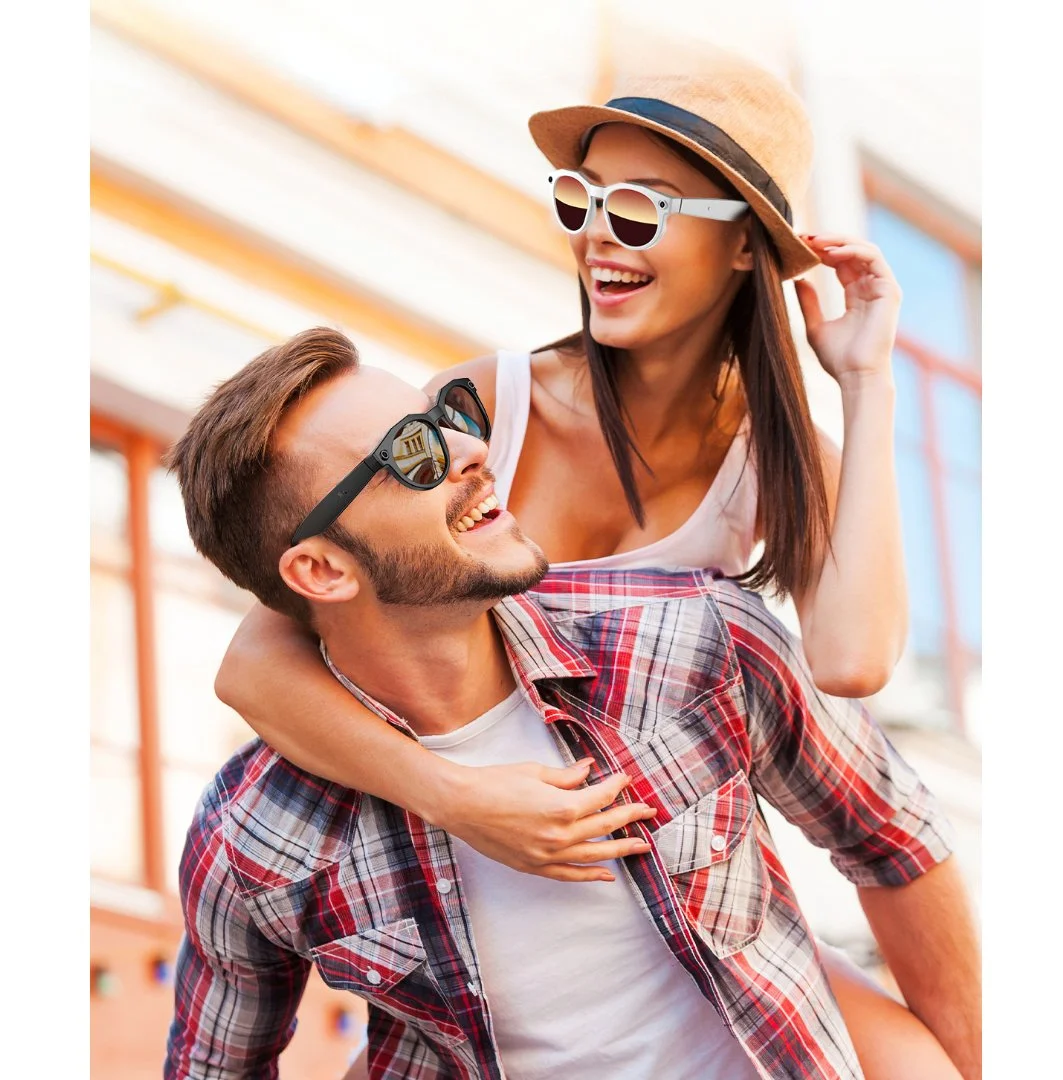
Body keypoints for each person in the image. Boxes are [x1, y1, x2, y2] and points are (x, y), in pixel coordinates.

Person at [212, 56, 956, 1074]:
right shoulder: (480, 414)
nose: (598, 233)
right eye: (580, 199)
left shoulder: (769, 463)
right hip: (483, 887)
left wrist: (867, 380)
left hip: (685, 894)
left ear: (744, 246)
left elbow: (856, 665)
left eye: (642, 210)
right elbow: (256, 662)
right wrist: (453, 796)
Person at [163, 330, 980, 1080]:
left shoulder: (691, 642)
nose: (473, 449)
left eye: (449, 414)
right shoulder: (256, 838)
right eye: (411, 453)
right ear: (321, 573)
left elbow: (893, 839)